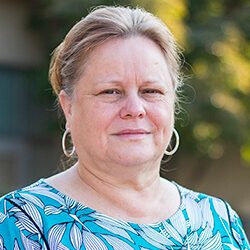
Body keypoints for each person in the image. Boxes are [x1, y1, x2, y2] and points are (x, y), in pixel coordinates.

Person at [0, 5, 249, 250]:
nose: (134, 108)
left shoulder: (219, 220)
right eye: (111, 91)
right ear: (69, 107)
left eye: (151, 91)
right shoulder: (21, 223)